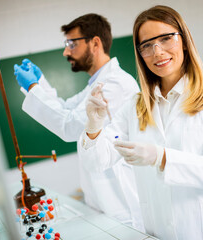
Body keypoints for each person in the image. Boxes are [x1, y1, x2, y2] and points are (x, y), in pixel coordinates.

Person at [77, 5, 203, 240]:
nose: (157, 51)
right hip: (159, 232)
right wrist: (93, 126)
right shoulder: (134, 107)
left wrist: (161, 157)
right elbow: (98, 161)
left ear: (184, 40)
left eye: (166, 39)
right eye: (146, 45)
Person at [13, 13, 144, 230]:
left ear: (95, 43)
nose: (66, 52)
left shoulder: (116, 84)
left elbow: (71, 127)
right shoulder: (97, 83)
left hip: (121, 200)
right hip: (103, 199)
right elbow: (66, 108)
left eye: (71, 44)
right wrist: (40, 83)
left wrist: (33, 89)